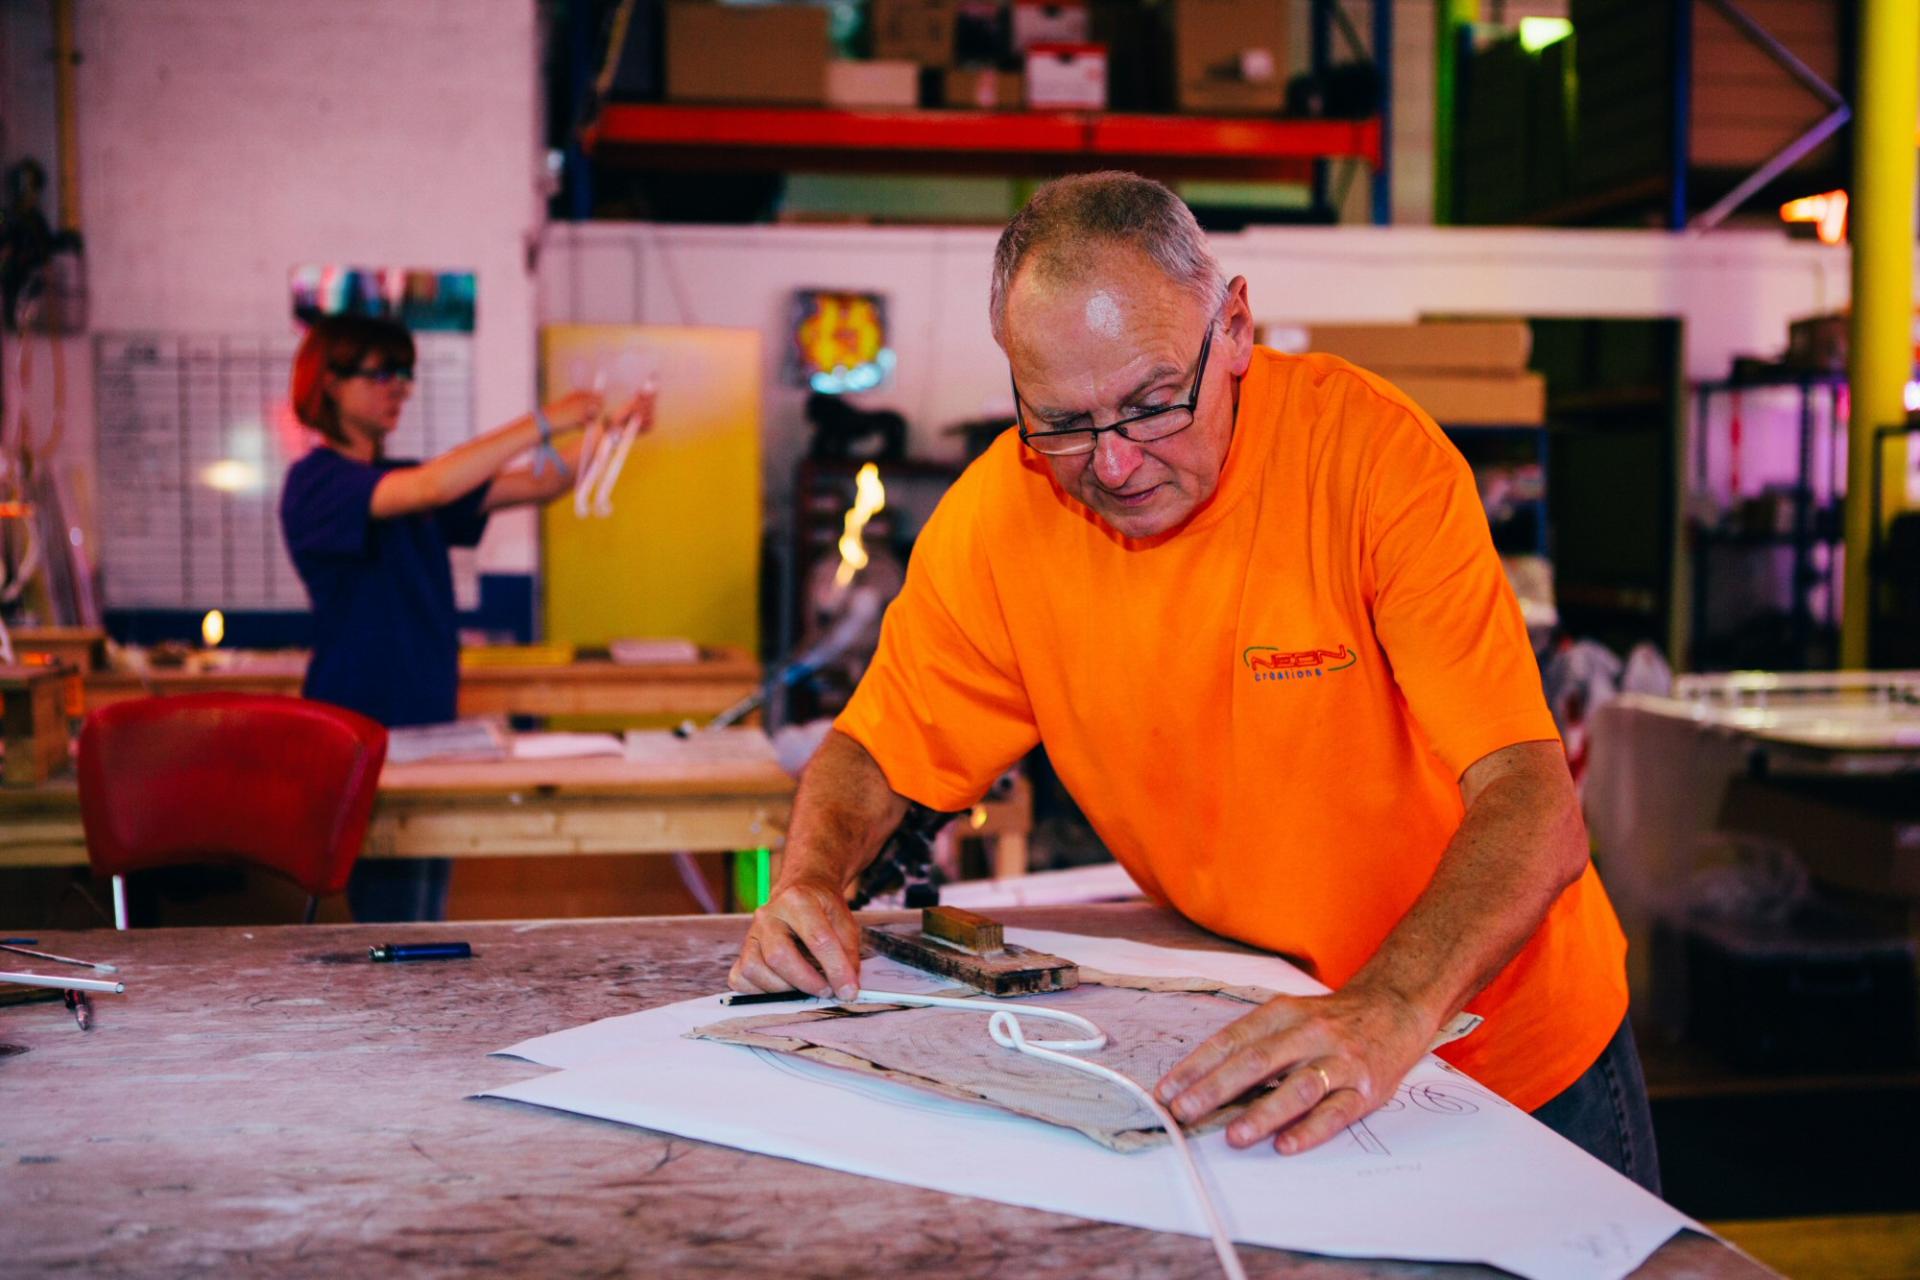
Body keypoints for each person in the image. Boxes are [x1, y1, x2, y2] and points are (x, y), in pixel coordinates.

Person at [727, 172, 1657, 1192]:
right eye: (1062, 422)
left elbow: (1534, 807)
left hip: (1497, 1052)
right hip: (1252, 1044)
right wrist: (809, 883)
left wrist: (1389, 1005)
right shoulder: (1001, 521)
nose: (1114, 464)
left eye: (1151, 405)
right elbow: (874, 753)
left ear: (1237, 328)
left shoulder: (1371, 461)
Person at [279, 314, 639, 922]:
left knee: (423, 910)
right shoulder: (317, 483)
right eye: (382, 373)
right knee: (394, 916)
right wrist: (544, 421)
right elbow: (432, 487)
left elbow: (539, 483)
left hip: (429, 724)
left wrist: (613, 428)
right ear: (330, 382)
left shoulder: (404, 479)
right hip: (361, 731)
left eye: (406, 374)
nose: (400, 387)